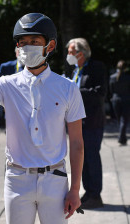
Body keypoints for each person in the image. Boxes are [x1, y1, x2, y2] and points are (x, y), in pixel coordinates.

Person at [0, 13, 85, 224]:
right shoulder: (5, 84)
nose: (26, 47)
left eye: (34, 42)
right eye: (22, 42)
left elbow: (77, 143)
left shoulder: (67, 88)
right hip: (17, 179)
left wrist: (75, 189)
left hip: (55, 179)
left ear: (49, 46)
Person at [66, 38, 107, 209]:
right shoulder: (75, 69)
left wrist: (74, 91)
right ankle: (88, 192)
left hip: (92, 122)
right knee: (81, 159)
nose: (68, 55)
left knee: (91, 157)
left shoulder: (97, 68)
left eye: (70, 52)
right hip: (77, 123)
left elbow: (100, 93)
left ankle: (96, 195)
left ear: (80, 53)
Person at [0, 47, 25, 125]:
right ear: (17, 53)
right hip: (10, 107)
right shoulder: (6, 67)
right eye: (20, 52)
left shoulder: (36, 69)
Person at [109, 60, 130, 145]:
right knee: (124, 120)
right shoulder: (128, 77)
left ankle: (122, 138)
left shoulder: (112, 77)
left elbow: (111, 90)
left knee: (120, 120)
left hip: (115, 100)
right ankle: (122, 138)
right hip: (126, 100)